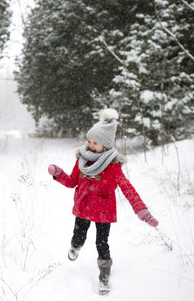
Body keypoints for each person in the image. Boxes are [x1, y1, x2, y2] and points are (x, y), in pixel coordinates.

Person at [47, 108, 158, 295]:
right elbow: (72, 181)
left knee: (102, 242)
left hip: (103, 211)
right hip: (83, 206)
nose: (90, 145)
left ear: (105, 145)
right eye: (88, 141)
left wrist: (141, 210)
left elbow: (127, 188)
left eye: (95, 143)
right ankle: (75, 247)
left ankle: (104, 274)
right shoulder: (82, 160)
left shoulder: (113, 167)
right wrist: (58, 174)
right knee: (78, 235)